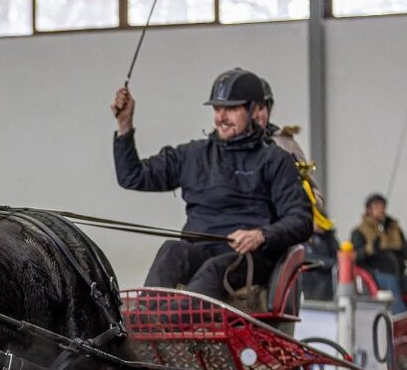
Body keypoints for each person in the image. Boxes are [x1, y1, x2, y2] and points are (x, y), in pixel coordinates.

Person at [112, 68, 312, 301]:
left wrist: (262, 235)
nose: (221, 117)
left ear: (255, 110)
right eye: (218, 109)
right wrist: (124, 126)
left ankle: (172, 327)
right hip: (201, 249)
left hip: (248, 257)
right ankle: (145, 322)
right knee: (171, 251)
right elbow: (133, 176)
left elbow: (301, 220)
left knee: (214, 270)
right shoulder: (192, 155)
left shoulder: (275, 160)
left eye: (232, 109)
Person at [253, 77, 339, 301]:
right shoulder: (218, 149)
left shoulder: (285, 145)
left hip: (276, 239)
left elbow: (315, 200)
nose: (256, 115)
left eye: (261, 108)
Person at [350, 194, 407, 314]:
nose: (381, 209)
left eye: (382, 206)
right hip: (377, 275)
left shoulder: (393, 228)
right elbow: (356, 257)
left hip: (399, 274)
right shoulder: (359, 232)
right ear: (368, 210)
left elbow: (405, 247)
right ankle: (401, 317)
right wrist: (369, 249)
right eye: (377, 206)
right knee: (392, 283)